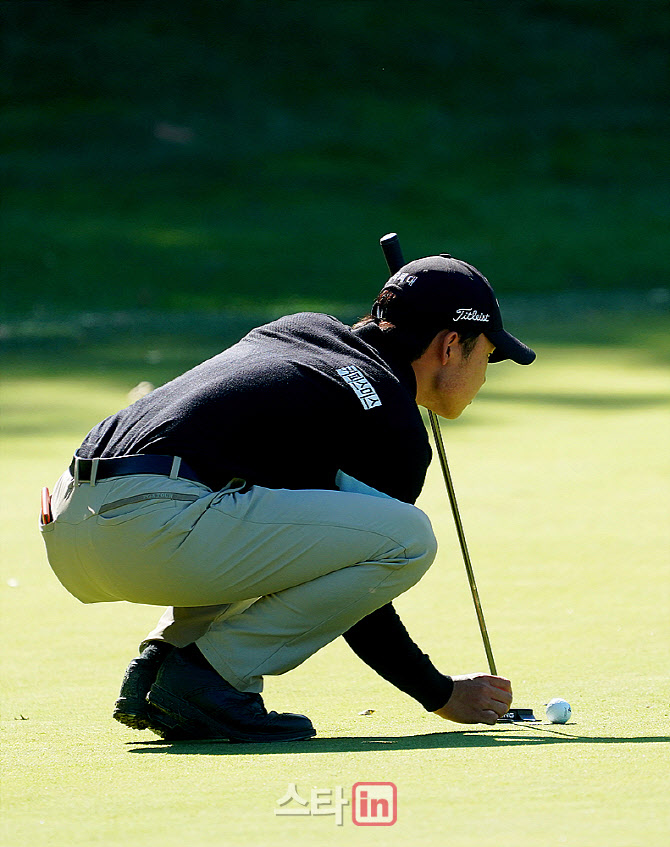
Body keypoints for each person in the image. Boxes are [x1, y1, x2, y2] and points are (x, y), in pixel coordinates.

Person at [40, 253, 535, 742]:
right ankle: (209, 679)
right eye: (488, 355)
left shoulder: (301, 333)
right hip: (152, 524)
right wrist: (438, 692)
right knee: (409, 538)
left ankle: (158, 669)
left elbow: (301, 546)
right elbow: (362, 596)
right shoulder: (392, 425)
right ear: (451, 345)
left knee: (273, 516)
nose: (486, 375)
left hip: (69, 521)